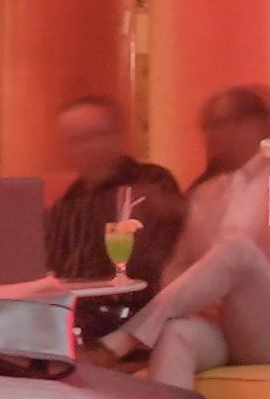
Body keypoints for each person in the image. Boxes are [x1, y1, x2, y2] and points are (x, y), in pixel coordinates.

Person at [101, 84, 270, 390]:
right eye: (209, 126)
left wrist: (229, 286)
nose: (213, 136)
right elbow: (177, 265)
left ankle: (124, 339)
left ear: (261, 125)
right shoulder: (205, 194)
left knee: (238, 251)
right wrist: (198, 298)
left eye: (226, 123)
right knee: (177, 336)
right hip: (222, 329)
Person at [37, 93, 192, 288]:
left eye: (95, 135)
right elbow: (54, 269)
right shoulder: (66, 204)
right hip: (76, 309)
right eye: (76, 140)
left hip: (138, 306)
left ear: (118, 136)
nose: (87, 148)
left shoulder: (151, 182)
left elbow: (154, 265)